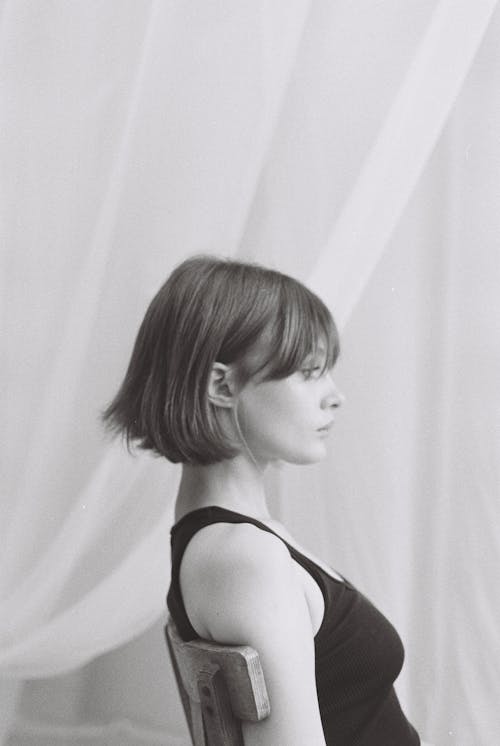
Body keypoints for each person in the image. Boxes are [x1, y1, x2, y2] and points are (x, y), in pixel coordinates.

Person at [102, 255, 427, 745]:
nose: (334, 396)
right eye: (309, 372)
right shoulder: (244, 558)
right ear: (222, 385)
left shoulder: (239, 540)